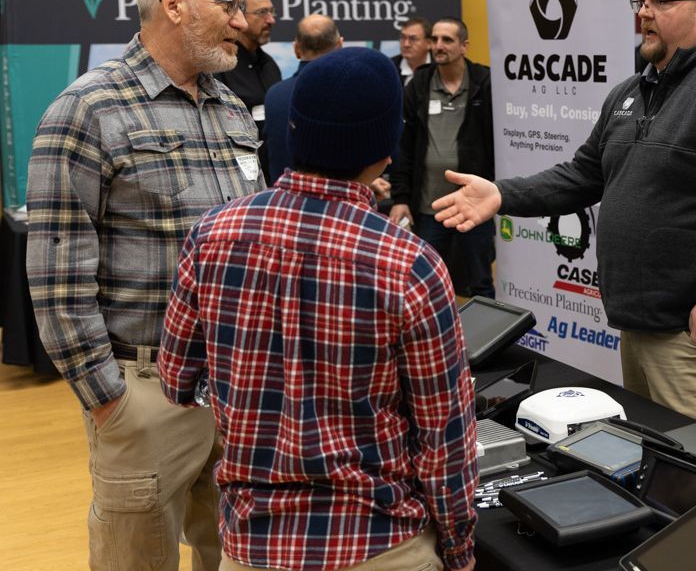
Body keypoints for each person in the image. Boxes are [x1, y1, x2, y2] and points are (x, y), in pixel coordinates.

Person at [432, 0, 696, 428]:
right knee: (650, 455)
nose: (642, 13)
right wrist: (502, 195)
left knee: (691, 474)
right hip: (641, 324)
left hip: (695, 331)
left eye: (660, 2)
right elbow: (584, 174)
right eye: (641, 1)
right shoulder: (633, 91)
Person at [158, 47, 477, 571]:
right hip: (379, 543)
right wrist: (461, 550)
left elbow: (176, 381)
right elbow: (444, 438)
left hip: (252, 543)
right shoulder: (409, 263)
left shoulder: (211, 236)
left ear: (294, 129)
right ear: (386, 148)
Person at [26, 0, 265, 571]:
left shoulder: (232, 107)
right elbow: (55, 275)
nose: (243, 20)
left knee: (241, 555)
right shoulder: (88, 109)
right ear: (174, 5)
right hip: (145, 391)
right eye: (230, 4)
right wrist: (108, 398)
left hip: (238, 387)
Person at [388, 17, 495, 298]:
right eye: (434, 39)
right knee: (425, 284)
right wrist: (400, 197)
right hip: (429, 207)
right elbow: (404, 147)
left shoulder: (486, 83)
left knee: (480, 284)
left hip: (474, 206)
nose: (438, 46)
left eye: (447, 40)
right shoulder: (419, 85)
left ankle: (489, 342)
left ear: (464, 46)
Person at [262, 13, 344, 184]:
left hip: (282, 204)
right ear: (339, 45)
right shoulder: (353, 91)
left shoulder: (275, 95)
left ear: (296, 49)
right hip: (342, 205)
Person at [217, 0, 282, 168]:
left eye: (272, 12)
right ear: (238, 16)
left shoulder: (270, 65)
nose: (271, 20)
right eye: (262, 13)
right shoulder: (220, 67)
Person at [394, 16, 433, 85]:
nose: (406, 44)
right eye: (403, 38)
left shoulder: (440, 67)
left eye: (413, 39)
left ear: (429, 43)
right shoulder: (391, 68)